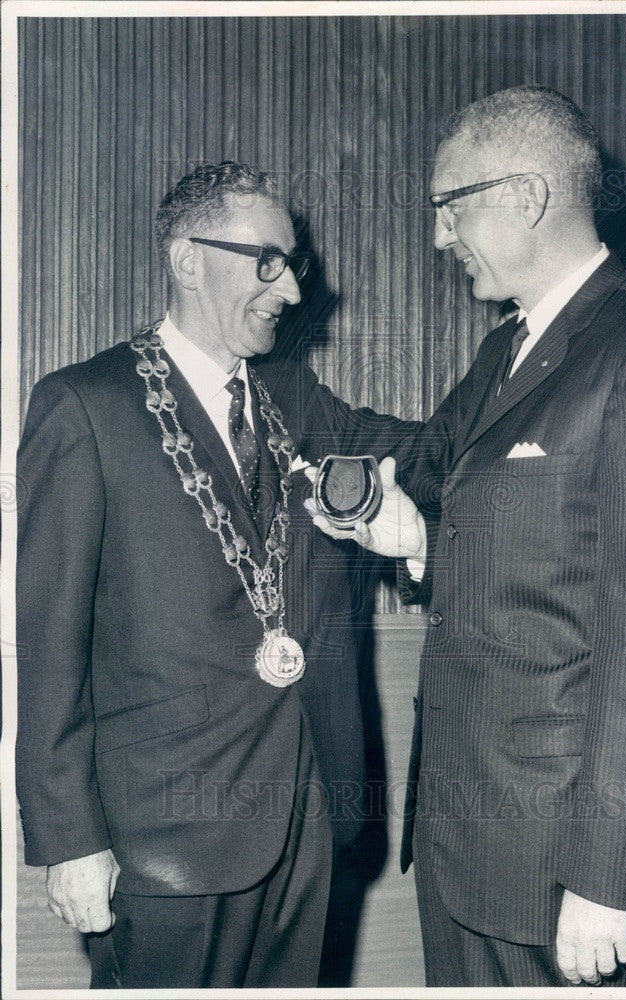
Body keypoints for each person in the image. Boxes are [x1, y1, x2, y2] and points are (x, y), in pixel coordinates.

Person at [307, 86, 626, 987]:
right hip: (470, 856)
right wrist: (412, 535)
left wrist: (610, 879)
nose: (439, 236)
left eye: (448, 206)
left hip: (563, 874)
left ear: (526, 197)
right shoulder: (506, 352)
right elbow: (459, 494)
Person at [16, 161, 416, 989]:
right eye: (266, 260)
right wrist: (68, 840)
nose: (293, 292)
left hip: (305, 818)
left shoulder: (292, 399)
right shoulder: (84, 405)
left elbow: (417, 446)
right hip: (160, 842)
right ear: (187, 257)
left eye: (292, 264)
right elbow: (50, 646)